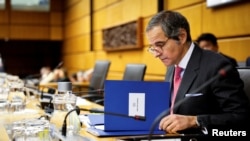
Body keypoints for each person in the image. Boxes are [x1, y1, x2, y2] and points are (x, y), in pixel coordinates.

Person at [145, 10, 250, 136]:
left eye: (160, 45)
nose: (156, 54)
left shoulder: (217, 66)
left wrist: (195, 120)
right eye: (153, 48)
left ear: (181, 36)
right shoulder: (171, 67)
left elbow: (241, 118)